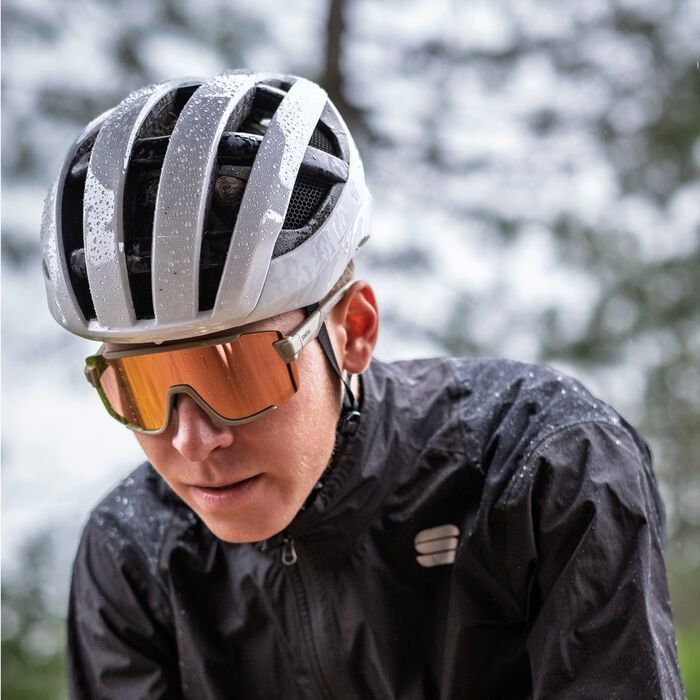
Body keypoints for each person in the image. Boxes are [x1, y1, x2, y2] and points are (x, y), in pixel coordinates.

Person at [41, 70, 685, 699]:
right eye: (139, 387)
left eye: (234, 372)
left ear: (353, 330)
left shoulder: (547, 469)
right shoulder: (133, 553)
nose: (191, 440)